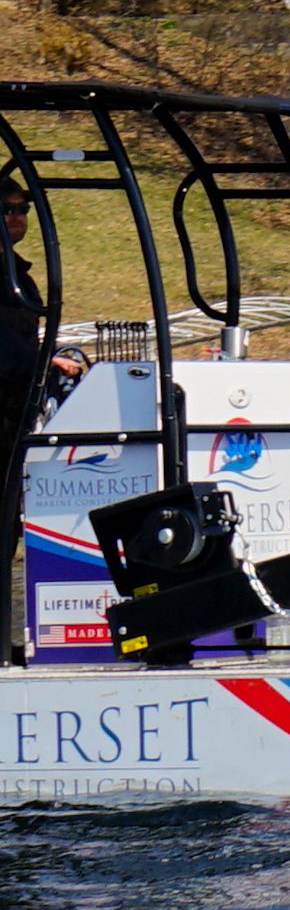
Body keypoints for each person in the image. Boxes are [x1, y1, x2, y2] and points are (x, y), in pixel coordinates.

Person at [0, 175, 87, 600]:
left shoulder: (21, 278)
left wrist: (49, 360)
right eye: (7, 209)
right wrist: (39, 361)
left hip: (13, 419)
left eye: (23, 209)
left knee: (7, 521)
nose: (17, 217)